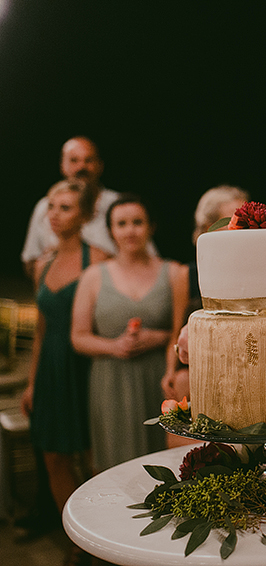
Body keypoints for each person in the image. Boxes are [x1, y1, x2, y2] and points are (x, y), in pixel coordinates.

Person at [19, 179, 110, 565]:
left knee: (92, 458)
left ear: (86, 214)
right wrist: (32, 382)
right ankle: (77, 545)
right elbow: (40, 330)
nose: (55, 215)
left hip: (85, 367)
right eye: (52, 207)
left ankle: (103, 538)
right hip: (52, 368)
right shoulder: (43, 263)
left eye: (66, 208)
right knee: (54, 456)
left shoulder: (101, 259)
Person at [71, 193, 188, 472]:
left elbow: (179, 332)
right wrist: (115, 346)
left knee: (167, 464)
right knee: (116, 462)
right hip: (110, 382)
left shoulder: (174, 273)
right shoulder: (93, 276)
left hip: (159, 377)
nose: (130, 230)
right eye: (121, 224)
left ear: (151, 227)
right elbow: (78, 337)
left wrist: (156, 340)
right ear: (111, 231)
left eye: (137, 222)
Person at [160, 184, 249, 413]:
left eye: (245, 221)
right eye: (232, 221)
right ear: (210, 227)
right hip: (197, 366)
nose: (241, 228)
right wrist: (170, 370)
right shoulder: (186, 275)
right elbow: (176, 328)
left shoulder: (251, 270)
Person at [20, 136, 157, 280]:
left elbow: (149, 258)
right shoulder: (44, 207)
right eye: (74, 160)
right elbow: (31, 259)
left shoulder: (120, 206)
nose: (81, 167)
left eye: (88, 160)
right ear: (62, 165)